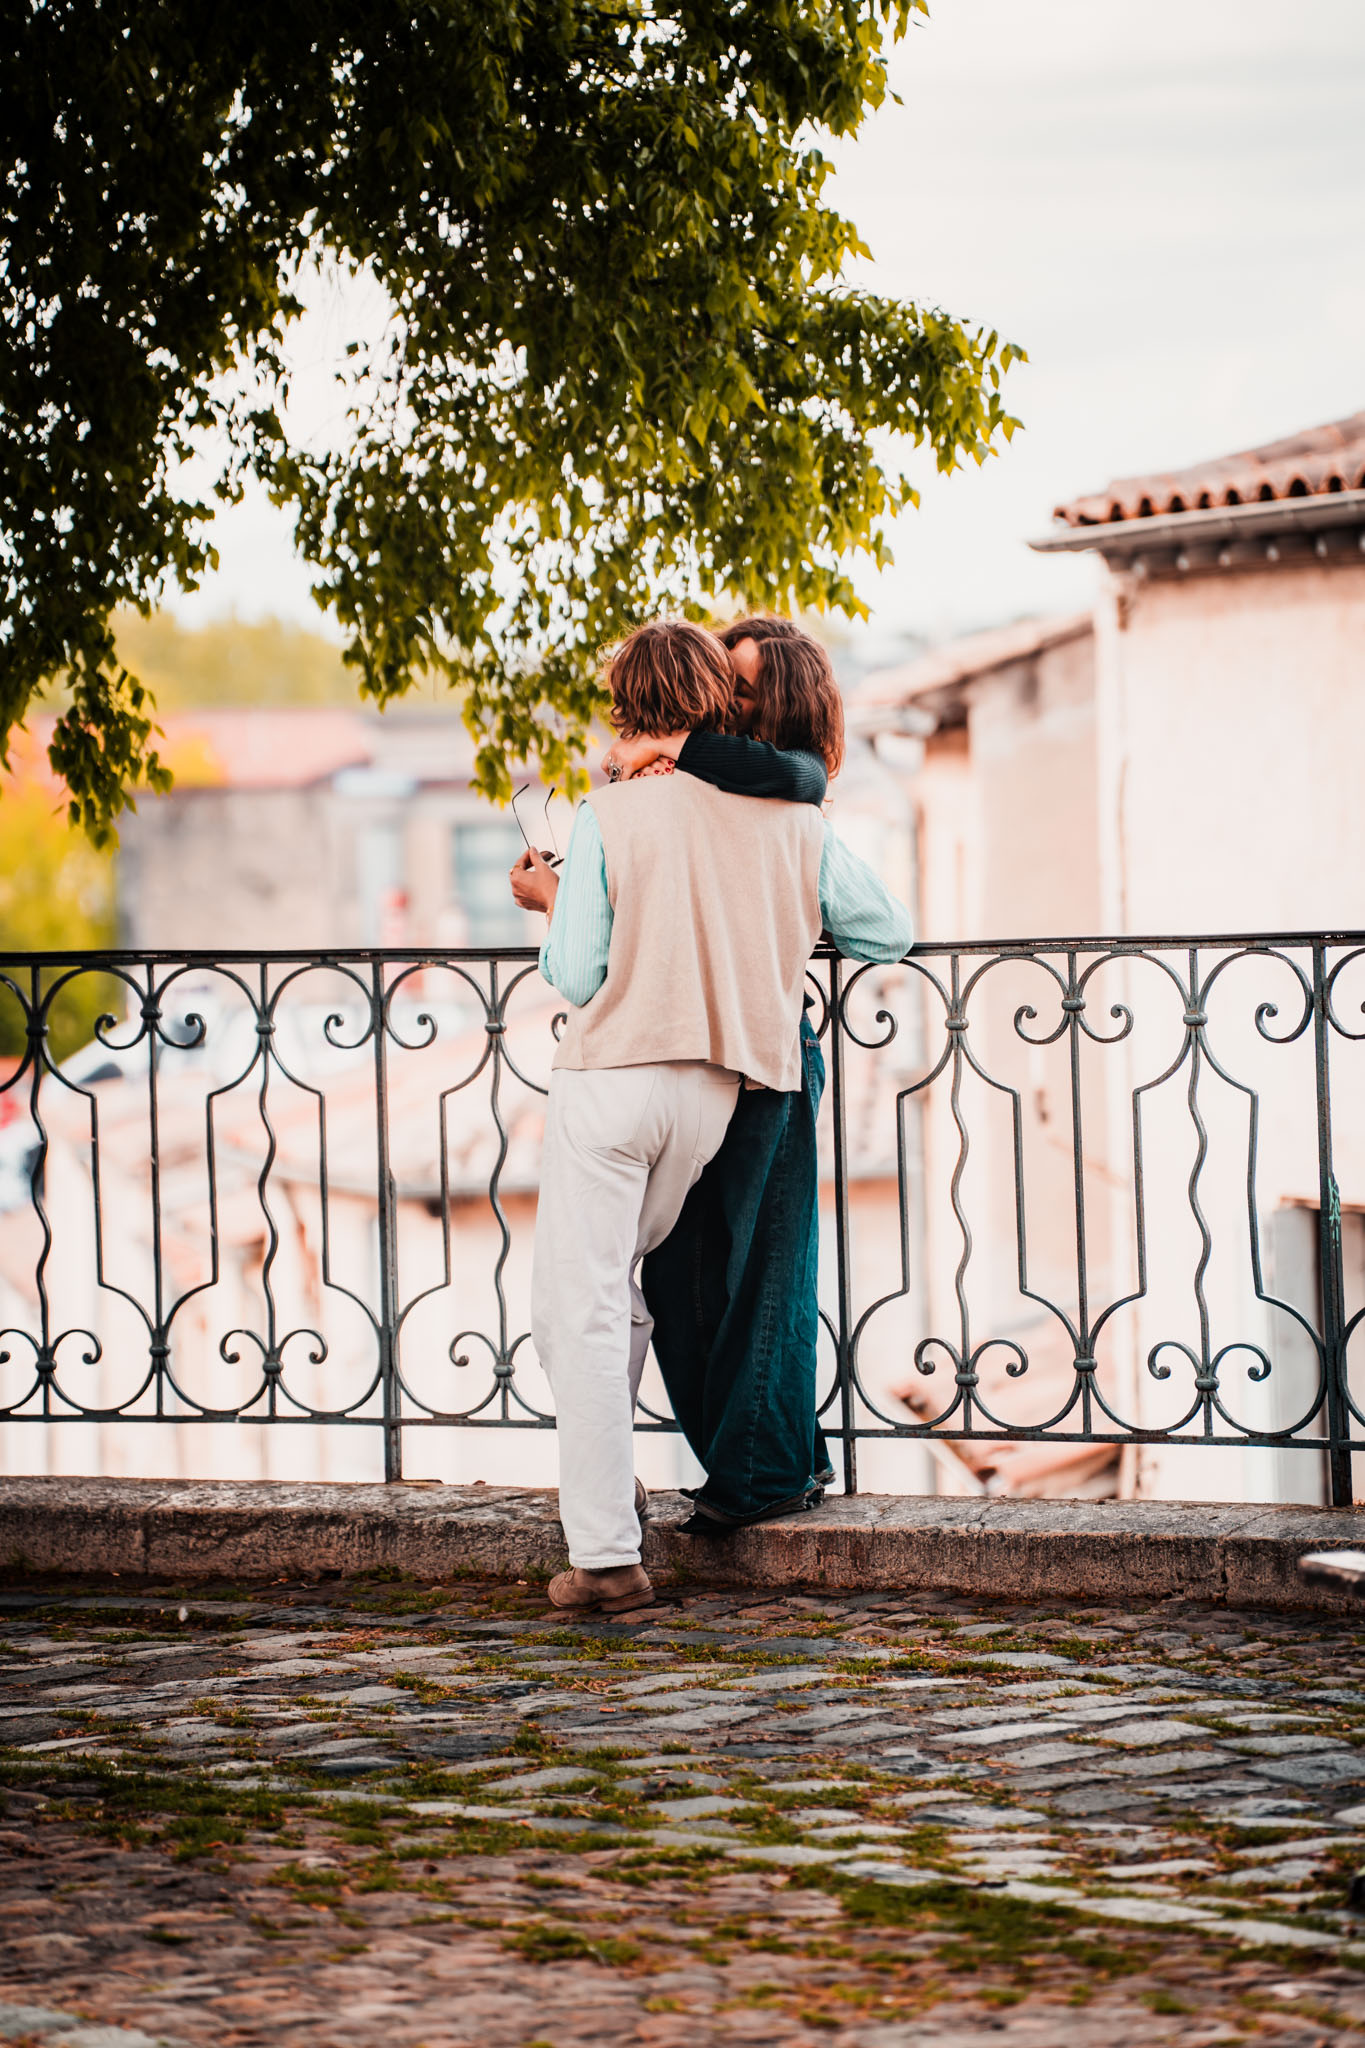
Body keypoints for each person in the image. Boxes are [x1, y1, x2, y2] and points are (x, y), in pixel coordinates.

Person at [510, 619, 910, 1614]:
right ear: (709, 702)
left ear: (624, 707)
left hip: (615, 1073)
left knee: (586, 1303)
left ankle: (607, 1544)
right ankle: (638, 1495)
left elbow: (578, 971)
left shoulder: (612, 811)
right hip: (721, 1086)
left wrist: (550, 898)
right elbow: (886, 932)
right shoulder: (792, 818)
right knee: (652, 1295)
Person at [602, 619, 884, 1531]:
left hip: (755, 1054)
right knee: (687, 1278)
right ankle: (767, 1465)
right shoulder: (662, 791)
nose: (728, 699)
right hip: (686, 1056)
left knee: (761, 1273)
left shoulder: (786, 802)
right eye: (724, 681)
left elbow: (880, 924)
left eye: (747, 688)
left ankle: (758, 1476)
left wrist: (777, 928)